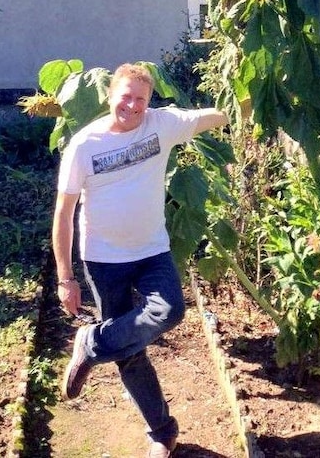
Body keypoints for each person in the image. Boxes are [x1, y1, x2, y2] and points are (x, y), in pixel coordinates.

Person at [52, 62, 228, 458]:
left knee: (170, 310)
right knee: (130, 352)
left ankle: (92, 342)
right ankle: (162, 431)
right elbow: (63, 215)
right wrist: (66, 279)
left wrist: (242, 104)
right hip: (103, 259)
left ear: (149, 103)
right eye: (125, 97)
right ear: (111, 97)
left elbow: (205, 117)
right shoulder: (85, 144)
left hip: (152, 250)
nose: (132, 106)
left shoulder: (161, 125)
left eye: (140, 99)